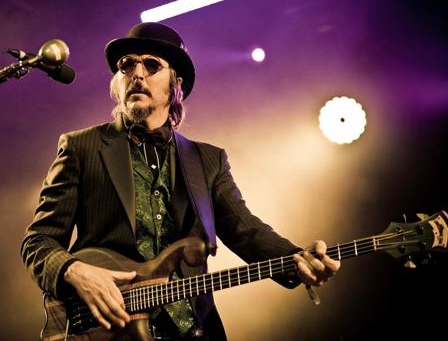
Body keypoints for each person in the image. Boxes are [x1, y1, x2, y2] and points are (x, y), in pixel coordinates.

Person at [21, 22, 341, 340]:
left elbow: (246, 231)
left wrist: (298, 260)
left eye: (151, 65)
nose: (137, 73)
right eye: (127, 65)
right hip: (106, 330)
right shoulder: (82, 147)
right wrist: (73, 270)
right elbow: (39, 242)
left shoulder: (207, 160)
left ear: (176, 84)